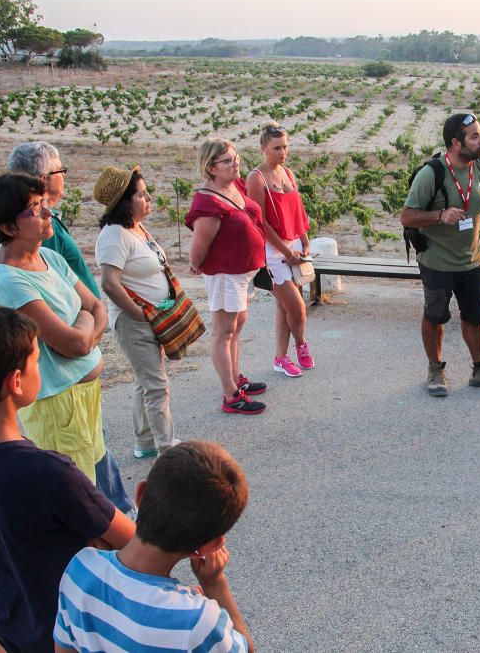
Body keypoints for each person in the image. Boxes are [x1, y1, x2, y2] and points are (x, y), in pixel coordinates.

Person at [0, 305, 135, 653]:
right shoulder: (49, 472)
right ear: (15, 381)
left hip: (11, 614)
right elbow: (128, 538)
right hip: (68, 625)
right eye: (35, 359)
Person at [0, 174, 133, 514]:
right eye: (35, 208)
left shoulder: (51, 259)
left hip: (82, 396)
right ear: (8, 227)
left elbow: (96, 306)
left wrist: (83, 330)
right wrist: (86, 332)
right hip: (57, 404)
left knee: (92, 479)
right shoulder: (8, 280)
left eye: (44, 204)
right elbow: (72, 344)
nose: (48, 213)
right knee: (77, 496)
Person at [54, 440, 253, 653]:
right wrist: (214, 584)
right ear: (209, 547)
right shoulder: (198, 621)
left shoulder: (81, 569)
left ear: (140, 495)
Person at [399, 113, 480, 397]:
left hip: (472, 261)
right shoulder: (432, 173)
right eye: (475, 136)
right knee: (435, 317)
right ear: (456, 143)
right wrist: (440, 215)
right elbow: (406, 216)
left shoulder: (479, 167)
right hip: (437, 263)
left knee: (475, 317)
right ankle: (435, 369)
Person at [94, 166, 179, 459]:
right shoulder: (114, 235)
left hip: (152, 319)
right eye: (142, 194)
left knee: (145, 382)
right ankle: (167, 451)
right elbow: (109, 283)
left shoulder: (135, 227)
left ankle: (145, 442)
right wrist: (138, 314)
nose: (149, 197)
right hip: (135, 323)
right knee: (156, 385)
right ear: (124, 201)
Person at [187, 138, 267, 414]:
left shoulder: (233, 185)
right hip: (225, 274)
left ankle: (236, 377)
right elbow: (199, 248)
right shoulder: (208, 203)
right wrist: (196, 264)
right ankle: (231, 395)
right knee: (224, 332)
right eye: (228, 161)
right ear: (210, 168)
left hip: (242, 272)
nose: (235, 164)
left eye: (236, 158)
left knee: (237, 325)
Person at [246, 121, 314, 378]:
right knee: (297, 308)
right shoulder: (256, 177)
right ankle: (300, 345)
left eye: (285, 147)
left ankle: (281, 358)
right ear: (263, 148)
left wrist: (304, 240)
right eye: (276, 148)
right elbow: (259, 222)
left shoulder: (288, 173)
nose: (282, 152)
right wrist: (287, 253)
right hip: (274, 254)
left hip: (294, 246)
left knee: (285, 307)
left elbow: (296, 211)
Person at [7, 141, 101, 298]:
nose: (63, 175)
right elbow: (50, 283)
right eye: (60, 171)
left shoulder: (26, 221)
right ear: (44, 179)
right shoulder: (42, 225)